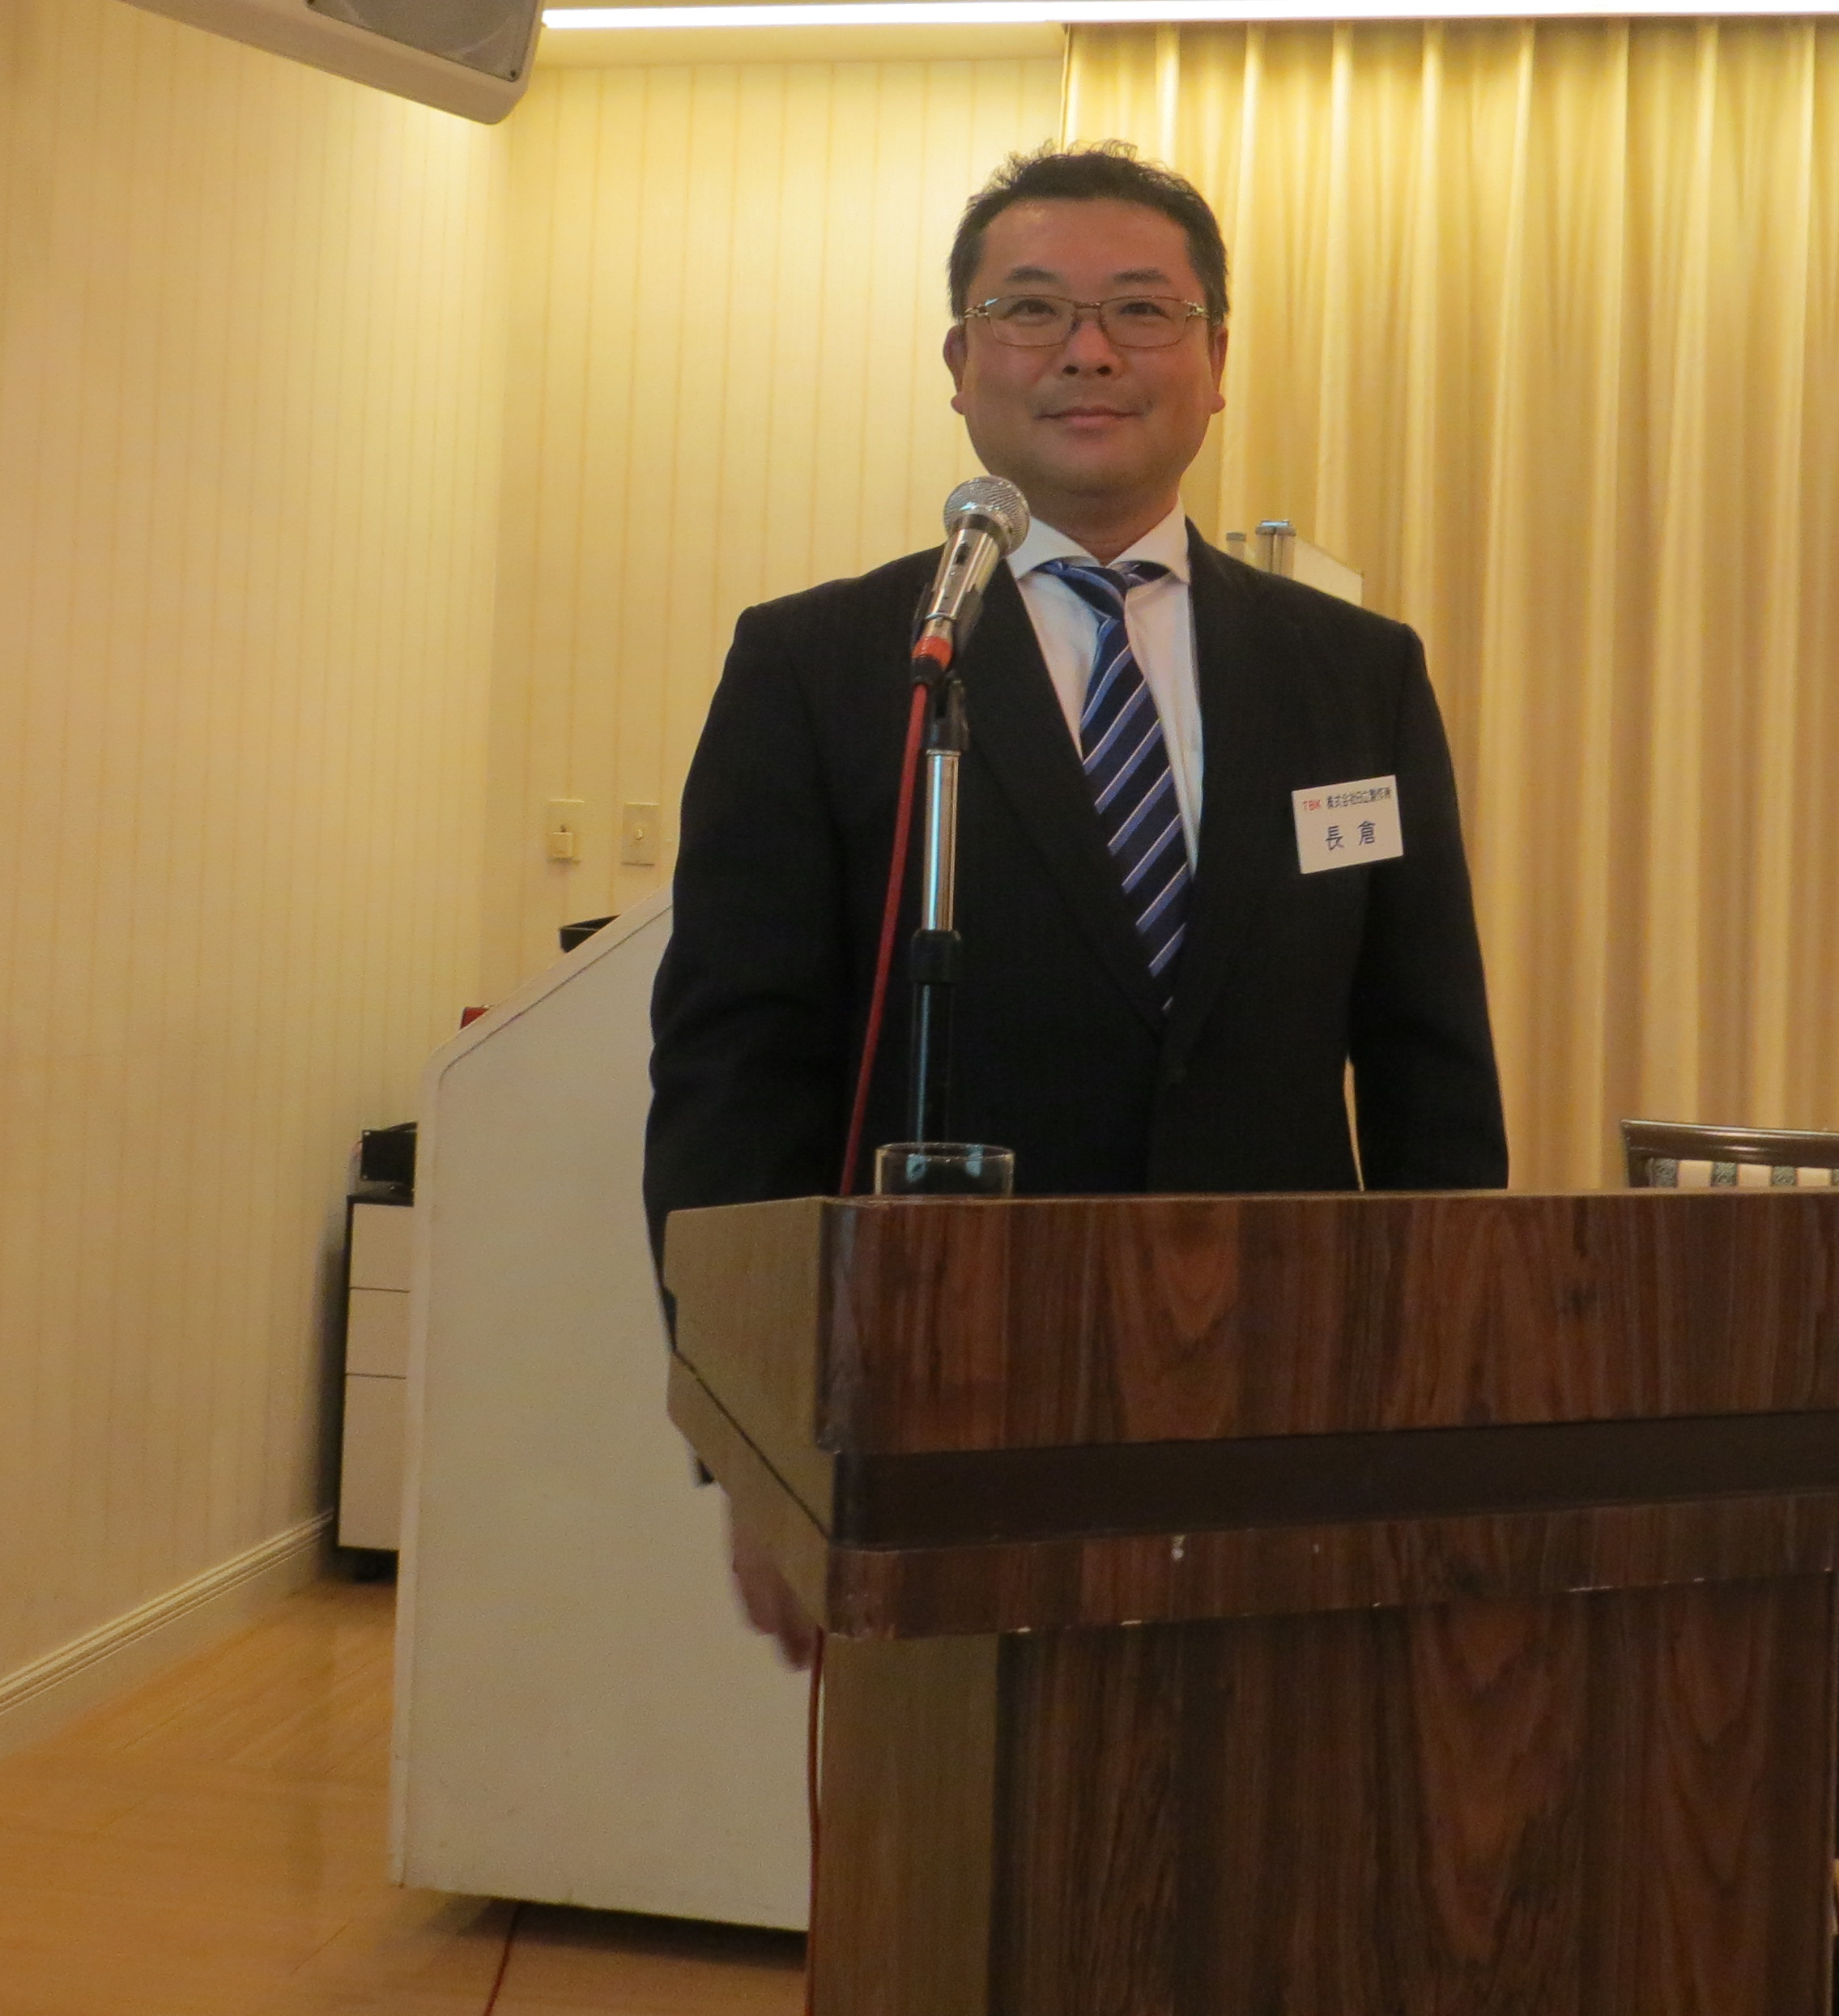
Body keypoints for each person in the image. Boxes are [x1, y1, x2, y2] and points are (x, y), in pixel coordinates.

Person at [643, 143, 1508, 1656]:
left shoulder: (1355, 672)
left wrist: (1450, 1398)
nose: (1089, 351)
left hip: (1293, 1383)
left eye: (1143, 311)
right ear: (959, 364)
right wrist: (755, 1439)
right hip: (950, 1392)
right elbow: (736, 1075)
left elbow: (1428, 1063)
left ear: (1216, 364)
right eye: (1031, 309)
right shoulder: (827, 665)